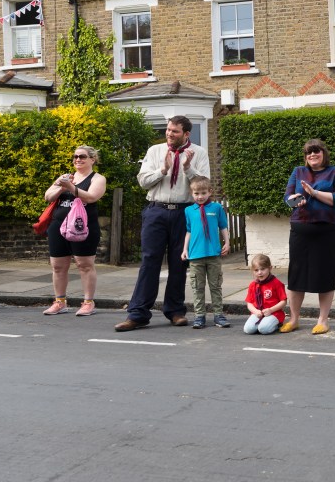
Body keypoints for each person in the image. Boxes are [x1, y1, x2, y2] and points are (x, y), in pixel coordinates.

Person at [115, 116, 210, 332]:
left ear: (187, 134)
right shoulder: (155, 151)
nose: (169, 134)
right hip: (156, 210)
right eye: (168, 130)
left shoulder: (199, 153)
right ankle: (138, 313)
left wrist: (187, 168)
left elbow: (203, 185)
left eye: (175, 131)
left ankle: (175, 311)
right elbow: (142, 181)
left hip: (184, 211)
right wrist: (163, 170)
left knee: (180, 263)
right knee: (149, 262)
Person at [281, 138, 335, 335]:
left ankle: (322, 320)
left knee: (325, 275)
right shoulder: (298, 171)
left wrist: (314, 192)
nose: (312, 155)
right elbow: (287, 197)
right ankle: (294, 319)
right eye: (309, 153)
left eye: (316, 151)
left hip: (327, 231)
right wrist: (294, 200)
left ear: (323, 153)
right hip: (300, 229)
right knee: (296, 275)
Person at [42, 146, 107, 317]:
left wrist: (70, 187)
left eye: (82, 156)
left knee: (84, 265)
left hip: (82, 226)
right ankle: (60, 302)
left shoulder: (98, 178)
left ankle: (88, 302)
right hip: (58, 226)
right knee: (57, 266)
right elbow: (48, 196)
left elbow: (91, 197)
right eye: (75, 156)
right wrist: (61, 188)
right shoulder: (65, 178)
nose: (78, 159)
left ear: (92, 159)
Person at [180, 176, 231, 329]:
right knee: (197, 287)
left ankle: (218, 315)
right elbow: (189, 231)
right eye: (196, 193)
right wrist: (184, 249)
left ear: (210, 192)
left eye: (203, 193)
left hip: (213, 255)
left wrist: (227, 243)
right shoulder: (188, 210)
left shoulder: (216, 208)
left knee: (215, 286)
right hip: (195, 256)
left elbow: (223, 227)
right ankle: (199, 316)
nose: (200, 196)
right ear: (192, 193)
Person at [243, 253, 288, 335]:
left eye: (263, 269)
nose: (260, 273)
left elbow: (283, 301)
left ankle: (277, 324)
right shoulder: (253, 285)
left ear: (270, 268)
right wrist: (255, 311)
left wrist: (271, 310)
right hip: (258, 313)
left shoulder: (276, 283)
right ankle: (263, 324)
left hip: (274, 313)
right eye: (256, 270)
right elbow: (249, 303)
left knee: (263, 329)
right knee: (248, 330)